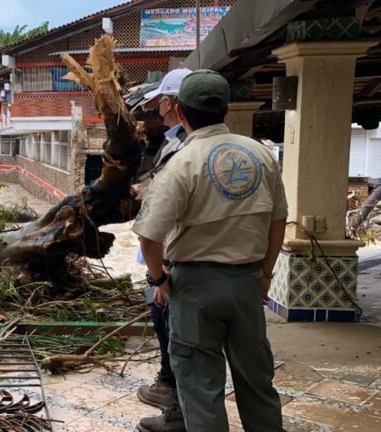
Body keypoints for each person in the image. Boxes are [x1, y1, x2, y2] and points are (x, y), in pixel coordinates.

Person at [132, 69, 287, 432]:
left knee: (201, 387)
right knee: (257, 382)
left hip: (195, 287)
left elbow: (149, 237)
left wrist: (159, 279)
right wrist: (264, 274)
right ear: (226, 109)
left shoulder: (182, 162)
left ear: (181, 111)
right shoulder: (262, 155)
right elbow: (278, 221)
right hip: (247, 282)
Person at [129, 68, 193, 432]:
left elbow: (156, 227)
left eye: (162, 102)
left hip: (171, 255)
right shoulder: (174, 142)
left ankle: (174, 397)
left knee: (171, 323)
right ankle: (170, 384)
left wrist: (159, 274)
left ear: (173, 104)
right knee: (163, 319)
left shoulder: (187, 149)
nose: (158, 109)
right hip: (165, 253)